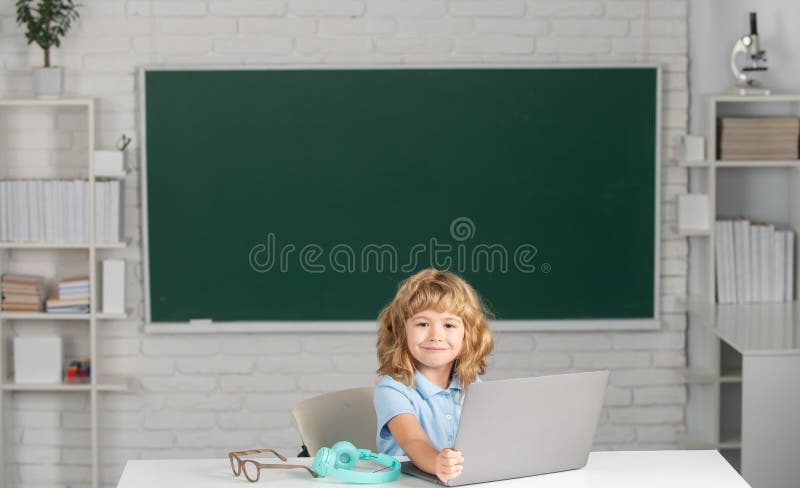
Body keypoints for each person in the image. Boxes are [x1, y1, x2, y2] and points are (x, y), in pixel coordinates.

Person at [374, 268, 494, 483]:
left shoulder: (472, 384)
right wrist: (437, 462)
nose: (436, 336)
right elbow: (413, 441)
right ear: (402, 331)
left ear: (468, 334)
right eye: (422, 324)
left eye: (449, 325)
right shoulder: (392, 389)